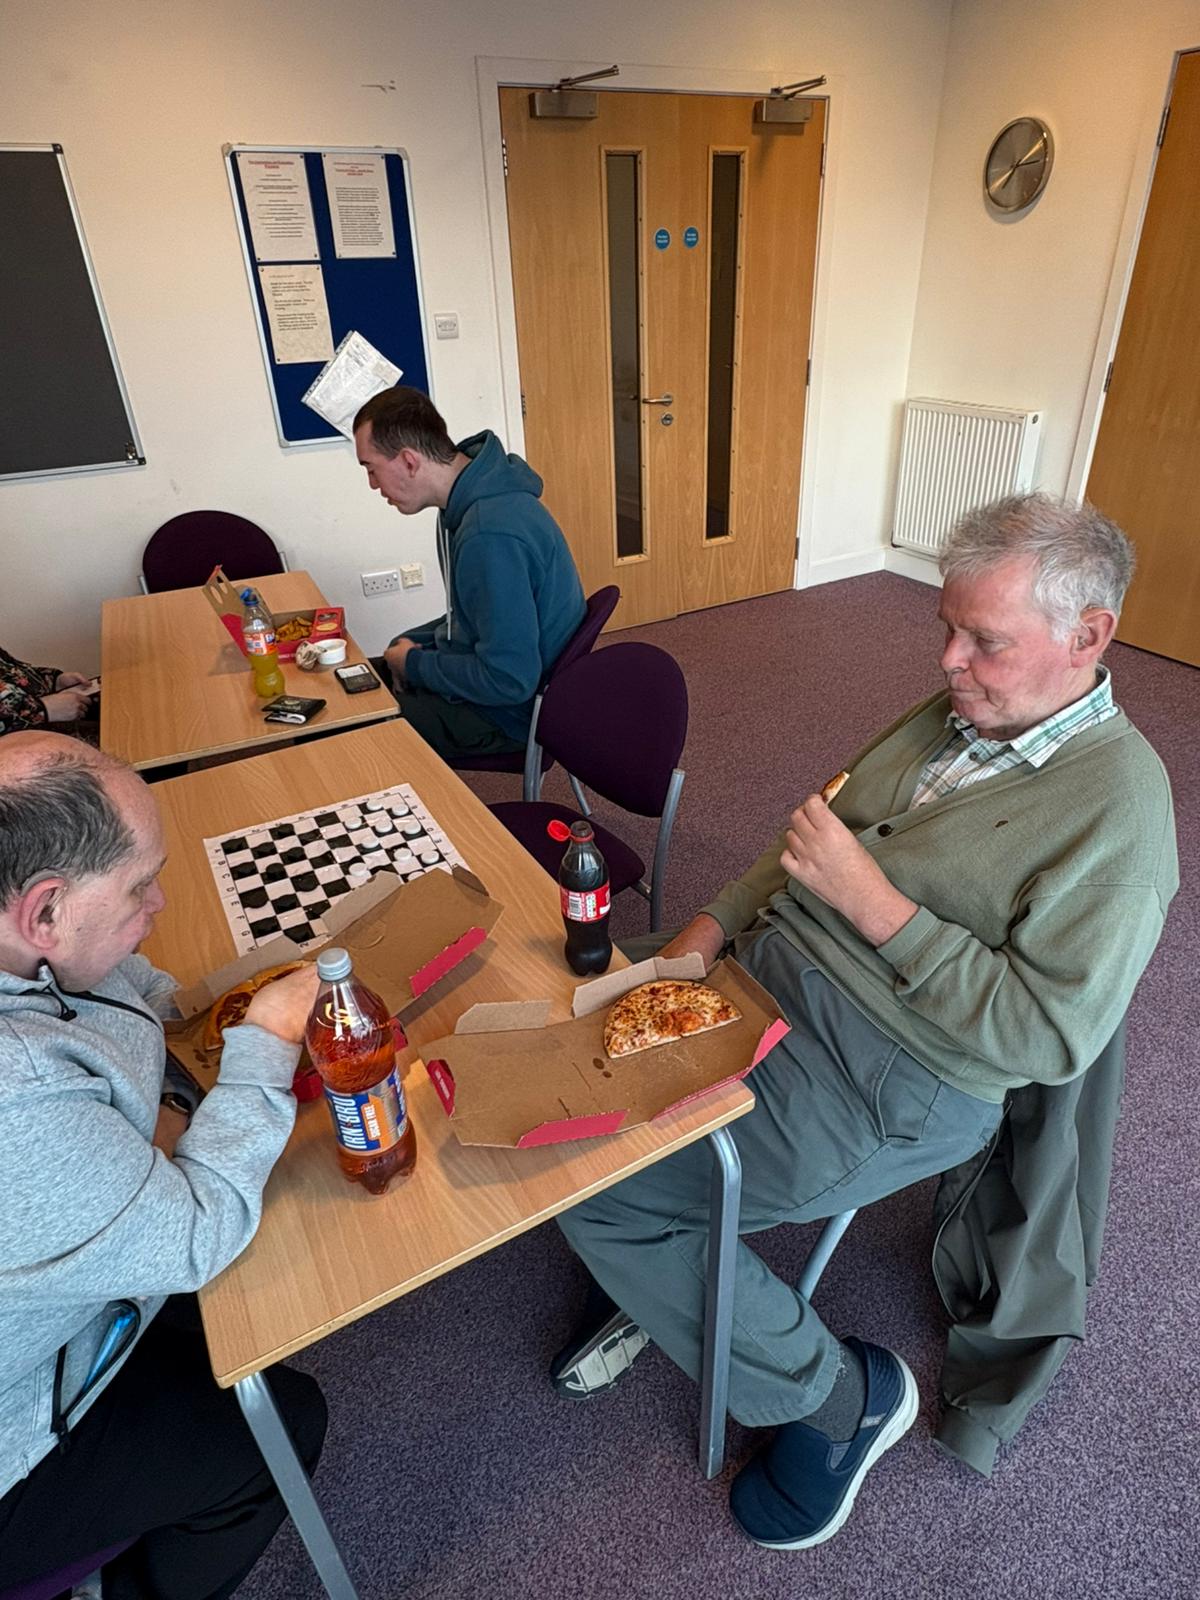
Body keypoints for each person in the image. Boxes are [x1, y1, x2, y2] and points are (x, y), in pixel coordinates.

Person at [551, 493, 1178, 1551]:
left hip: (896, 1075)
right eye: (946, 625)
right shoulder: (961, 716)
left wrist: (874, 906)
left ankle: (841, 1397)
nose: (948, 660)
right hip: (769, 974)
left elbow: (1044, 1039)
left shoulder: (1122, 814)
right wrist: (701, 934)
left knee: (601, 1194)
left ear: (1089, 636)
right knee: (576, 1092)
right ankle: (694, 1278)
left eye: (983, 638)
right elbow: (812, 834)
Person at [0, 732, 327, 1599]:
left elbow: (125, 987)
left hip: (53, 1306)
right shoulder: (15, 1091)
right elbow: (194, 1232)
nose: (162, 901)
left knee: (238, 1317)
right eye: (139, 886)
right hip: (13, 1432)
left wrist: (196, 1022)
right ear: (44, 911)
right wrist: (263, 1044)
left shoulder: (28, 943)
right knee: (283, 1425)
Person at [353, 386, 586, 761]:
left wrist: (413, 664)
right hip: (505, 683)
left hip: (509, 715)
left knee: (351, 727)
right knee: (357, 679)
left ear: (409, 461)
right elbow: (473, 620)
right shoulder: (467, 503)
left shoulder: (488, 534)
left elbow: (508, 679)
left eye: (371, 468)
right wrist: (407, 644)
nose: (373, 485)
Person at [0, 645, 96, 735]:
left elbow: (15, 672)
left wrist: (54, 682)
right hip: (21, 737)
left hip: (42, 714)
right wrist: (43, 709)